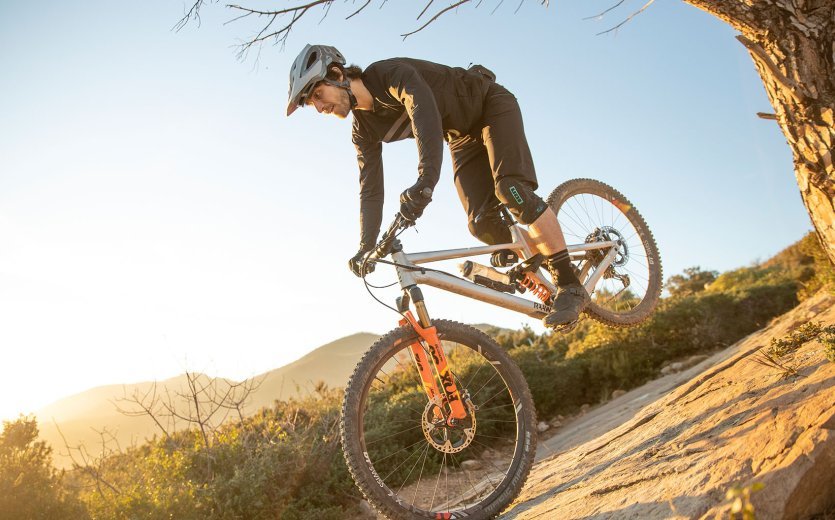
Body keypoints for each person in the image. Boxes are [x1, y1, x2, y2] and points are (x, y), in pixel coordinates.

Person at [286, 44, 590, 328]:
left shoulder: (388, 74)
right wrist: (366, 245)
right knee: (481, 224)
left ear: (337, 75)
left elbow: (424, 114)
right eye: (308, 102)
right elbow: (370, 187)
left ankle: (570, 286)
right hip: (461, 136)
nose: (316, 106)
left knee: (511, 190)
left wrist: (426, 181)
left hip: (490, 105)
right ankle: (547, 264)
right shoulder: (362, 129)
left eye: (316, 94)